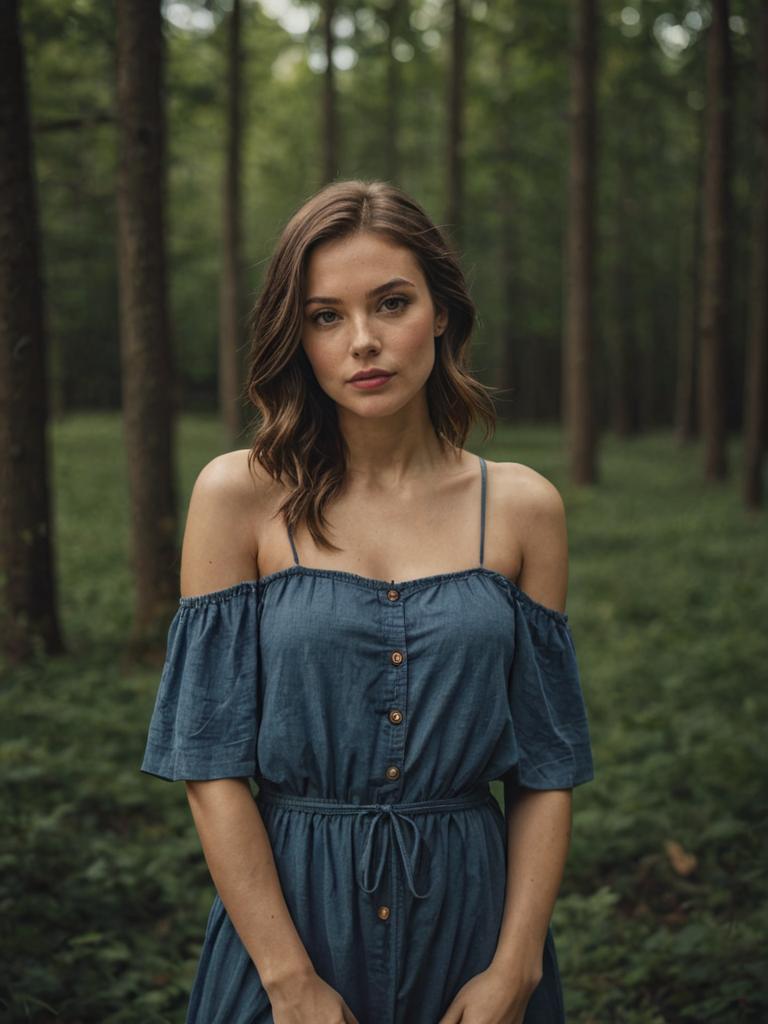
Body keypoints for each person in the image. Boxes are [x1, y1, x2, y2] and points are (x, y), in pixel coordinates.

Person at [140, 178, 595, 1024]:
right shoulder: (239, 495)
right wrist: (287, 981)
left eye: (392, 303)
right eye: (325, 316)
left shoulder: (524, 507)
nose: (363, 342)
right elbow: (209, 764)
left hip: (473, 925)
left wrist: (516, 968)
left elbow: (545, 770)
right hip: (289, 927)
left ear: (443, 312)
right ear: (298, 336)